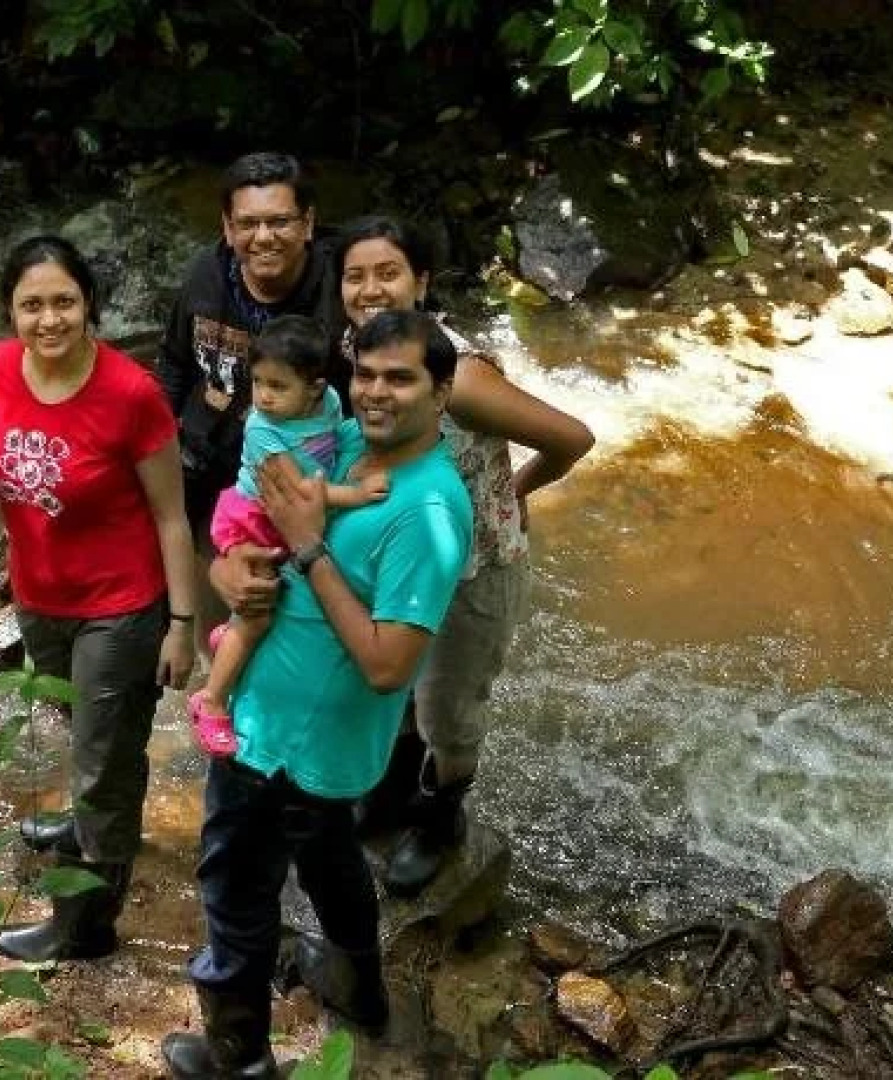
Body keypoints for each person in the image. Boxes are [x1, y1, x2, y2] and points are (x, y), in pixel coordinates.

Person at [159, 310, 473, 1080]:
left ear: (443, 392)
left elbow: (388, 664)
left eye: (401, 378)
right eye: (366, 373)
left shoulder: (427, 509)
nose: (376, 392)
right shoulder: (349, 444)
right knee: (330, 856)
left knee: (234, 883)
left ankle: (239, 1054)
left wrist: (307, 544)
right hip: (311, 736)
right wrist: (230, 571)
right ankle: (359, 989)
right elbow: (244, 532)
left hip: (285, 738)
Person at [336, 215, 595, 896]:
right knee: (390, 687)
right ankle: (390, 794)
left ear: (420, 282)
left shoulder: (466, 375)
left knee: (449, 713)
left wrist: (513, 490)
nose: (370, 289)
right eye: (354, 275)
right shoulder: (356, 349)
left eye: (387, 273)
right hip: (400, 560)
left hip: (474, 573)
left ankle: (440, 821)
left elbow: (574, 437)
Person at [0, 235, 199, 964]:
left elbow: (172, 515)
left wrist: (183, 624)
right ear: (11, 312)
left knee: (106, 763)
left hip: (121, 604)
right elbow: (3, 452)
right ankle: (84, 829)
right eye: (32, 304)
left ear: (89, 304)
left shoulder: (130, 394)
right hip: (42, 597)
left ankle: (84, 928)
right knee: (83, 730)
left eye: (63, 301)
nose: (49, 319)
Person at [155, 151, 351, 661]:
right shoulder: (207, 274)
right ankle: (217, 722)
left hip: (307, 479)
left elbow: (374, 394)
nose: (263, 237)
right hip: (212, 471)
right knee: (217, 625)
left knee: (295, 632)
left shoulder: (341, 287)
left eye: (280, 221)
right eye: (248, 224)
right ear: (227, 227)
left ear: (307, 223)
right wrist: (157, 449)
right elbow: (175, 362)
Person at [187, 314, 389, 755]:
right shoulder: (262, 426)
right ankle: (212, 701)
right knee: (257, 611)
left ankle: (230, 639)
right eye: (258, 382)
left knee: (277, 601)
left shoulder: (331, 403)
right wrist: (357, 495)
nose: (264, 396)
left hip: (283, 512)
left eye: (278, 386)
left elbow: (335, 445)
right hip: (250, 515)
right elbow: (299, 491)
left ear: (315, 388)